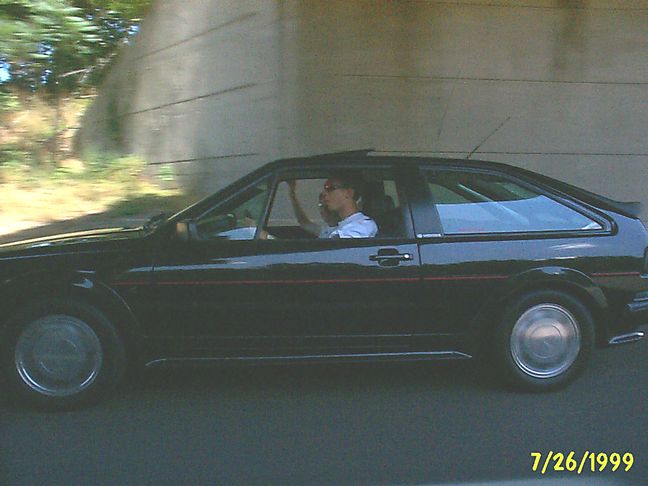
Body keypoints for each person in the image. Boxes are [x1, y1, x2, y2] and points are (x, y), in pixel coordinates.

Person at [288, 174, 378, 239]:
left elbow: (337, 248)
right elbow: (305, 223)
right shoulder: (337, 228)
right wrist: (292, 194)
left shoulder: (363, 225)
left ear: (348, 193)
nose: (324, 194)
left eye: (330, 188)